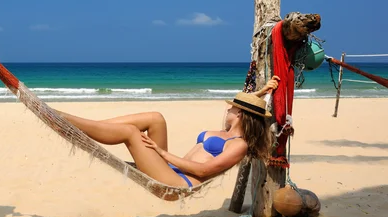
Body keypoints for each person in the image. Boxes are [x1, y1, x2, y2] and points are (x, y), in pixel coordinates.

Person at [55, 76, 280, 188]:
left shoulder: (238, 144)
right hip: (170, 168)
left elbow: (202, 171)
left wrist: (162, 154)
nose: (228, 108)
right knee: (156, 118)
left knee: (131, 133)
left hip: (177, 182)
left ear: (239, 114)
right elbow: (248, 107)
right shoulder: (226, 131)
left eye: (232, 107)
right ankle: (87, 125)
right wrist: (261, 92)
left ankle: (70, 120)